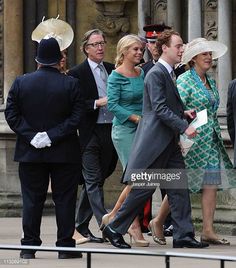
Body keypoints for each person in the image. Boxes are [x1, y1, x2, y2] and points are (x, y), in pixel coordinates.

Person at [102, 30, 208, 249]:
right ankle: (114, 228)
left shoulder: (166, 72)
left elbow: (163, 105)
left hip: (167, 143)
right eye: (178, 46)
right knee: (143, 188)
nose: (182, 50)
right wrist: (183, 127)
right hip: (155, 143)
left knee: (179, 188)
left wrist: (183, 113)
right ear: (165, 48)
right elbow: (158, 108)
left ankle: (183, 235)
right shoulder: (156, 73)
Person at [4, 38, 84, 259]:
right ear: (60, 60)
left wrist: (33, 136)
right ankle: (65, 246)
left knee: (31, 199)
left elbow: (11, 115)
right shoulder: (71, 83)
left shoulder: (21, 82)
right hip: (64, 151)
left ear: (37, 60)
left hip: (31, 152)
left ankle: (28, 246)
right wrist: (52, 135)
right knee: (65, 199)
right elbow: (77, 117)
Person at [152, 37, 232, 246]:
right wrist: (180, 135)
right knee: (181, 185)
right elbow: (176, 110)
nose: (209, 57)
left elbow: (212, 110)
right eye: (204, 54)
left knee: (210, 184)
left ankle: (207, 230)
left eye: (210, 54)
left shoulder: (211, 81)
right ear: (194, 58)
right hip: (191, 140)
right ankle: (158, 221)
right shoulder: (185, 80)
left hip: (211, 139)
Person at [67, 29, 118, 244]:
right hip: (89, 132)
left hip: (111, 129)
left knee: (99, 177)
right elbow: (74, 105)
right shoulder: (76, 73)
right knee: (93, 180)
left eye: (102, 43)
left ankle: (79, 226)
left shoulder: (112, 69)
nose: (100, 47)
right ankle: (107, 226)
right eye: (95, 44)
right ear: (86, 48)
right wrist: (98, 102)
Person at [104, 34, 149, 247]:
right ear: (124, 52)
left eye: (141, 49)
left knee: (140, 178)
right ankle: (132, 224)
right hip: (124, 131)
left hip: (144, 130)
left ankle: (114, 215)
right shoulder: (115, 76)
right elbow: (112, 105)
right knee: (136, 178)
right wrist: (135, 118)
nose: (140, 53)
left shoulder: (141, 73)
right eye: (135, 50)